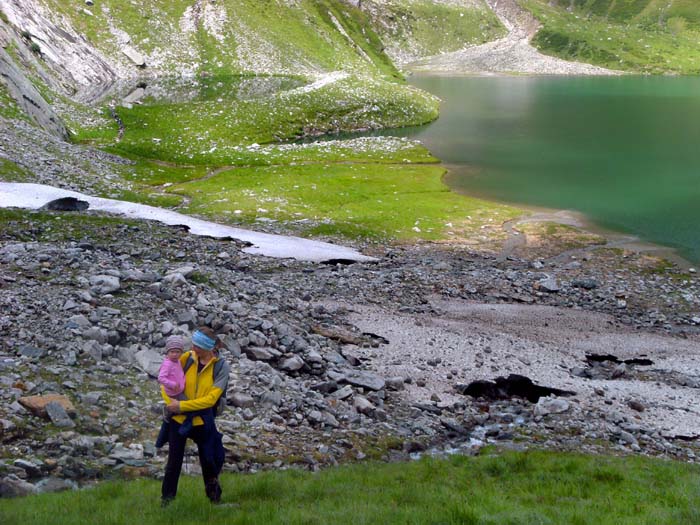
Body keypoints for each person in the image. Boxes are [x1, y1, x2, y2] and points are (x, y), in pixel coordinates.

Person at [161, 327, 230, 506]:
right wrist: (171, 403)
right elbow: (165, 382)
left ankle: (215, 500)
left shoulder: (221, 366)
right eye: (193, 344)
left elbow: (211, 399)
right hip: (179, 418)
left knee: (210, 460)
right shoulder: (186, 358)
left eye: (197, 346)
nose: (193, 348)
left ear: (209, 347)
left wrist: (181, 405)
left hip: (201, 419)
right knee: (173, 463)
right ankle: (166, 502)